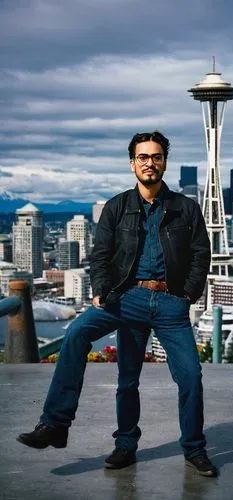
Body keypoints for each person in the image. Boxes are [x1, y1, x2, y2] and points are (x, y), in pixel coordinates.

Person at [17, 131, 217, 477]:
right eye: (143, 157)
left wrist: (186, 296)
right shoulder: (117, 207)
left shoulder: (186, 208)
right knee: (91, 345)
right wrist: (102, 289)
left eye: (156, 156)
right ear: (132, 163)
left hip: (171, 303)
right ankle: (66, 427)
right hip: (127, 298)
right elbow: (100, 256)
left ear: (164, 162)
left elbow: (201, 255)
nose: (149, 163)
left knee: (191, 378)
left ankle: (194, 449)